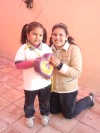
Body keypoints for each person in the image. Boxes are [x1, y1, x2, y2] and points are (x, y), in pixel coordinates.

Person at [49, 23, 95, 119]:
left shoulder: (74, 50)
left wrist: (60, 65)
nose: (57, 37)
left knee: (69, 114)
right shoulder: (48, 49)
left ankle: (89, 99)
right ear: (51, 35)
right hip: (53, 89)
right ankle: (64, 104)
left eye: (61, 35)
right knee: (52, 110)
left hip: (68, 90)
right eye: (54, 34)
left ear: (66, 36)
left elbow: (77, 73)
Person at [14, 22, 52, 128]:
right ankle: (29, 116)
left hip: (45, 82)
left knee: (45, 102)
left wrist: (49, 74)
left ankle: (44, 115)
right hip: (30, 84)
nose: (37, 37)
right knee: (29, 102)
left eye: (40, 35)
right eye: (34, 34)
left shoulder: (46, 48)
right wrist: (32, 62)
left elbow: (51, 62)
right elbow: (18, 65)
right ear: (27, 34)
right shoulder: (23, 49)